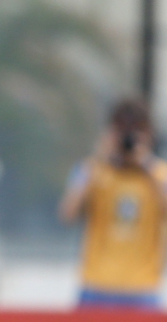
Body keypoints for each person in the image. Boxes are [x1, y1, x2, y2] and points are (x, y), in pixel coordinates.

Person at [59, 98, 167, 310]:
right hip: (96, 287)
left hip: (143, 289)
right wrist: (99, 157)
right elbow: (67, 214)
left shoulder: (159, 174)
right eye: (122, 130)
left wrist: (145, 162)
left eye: (136, 131)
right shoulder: (93, 171)